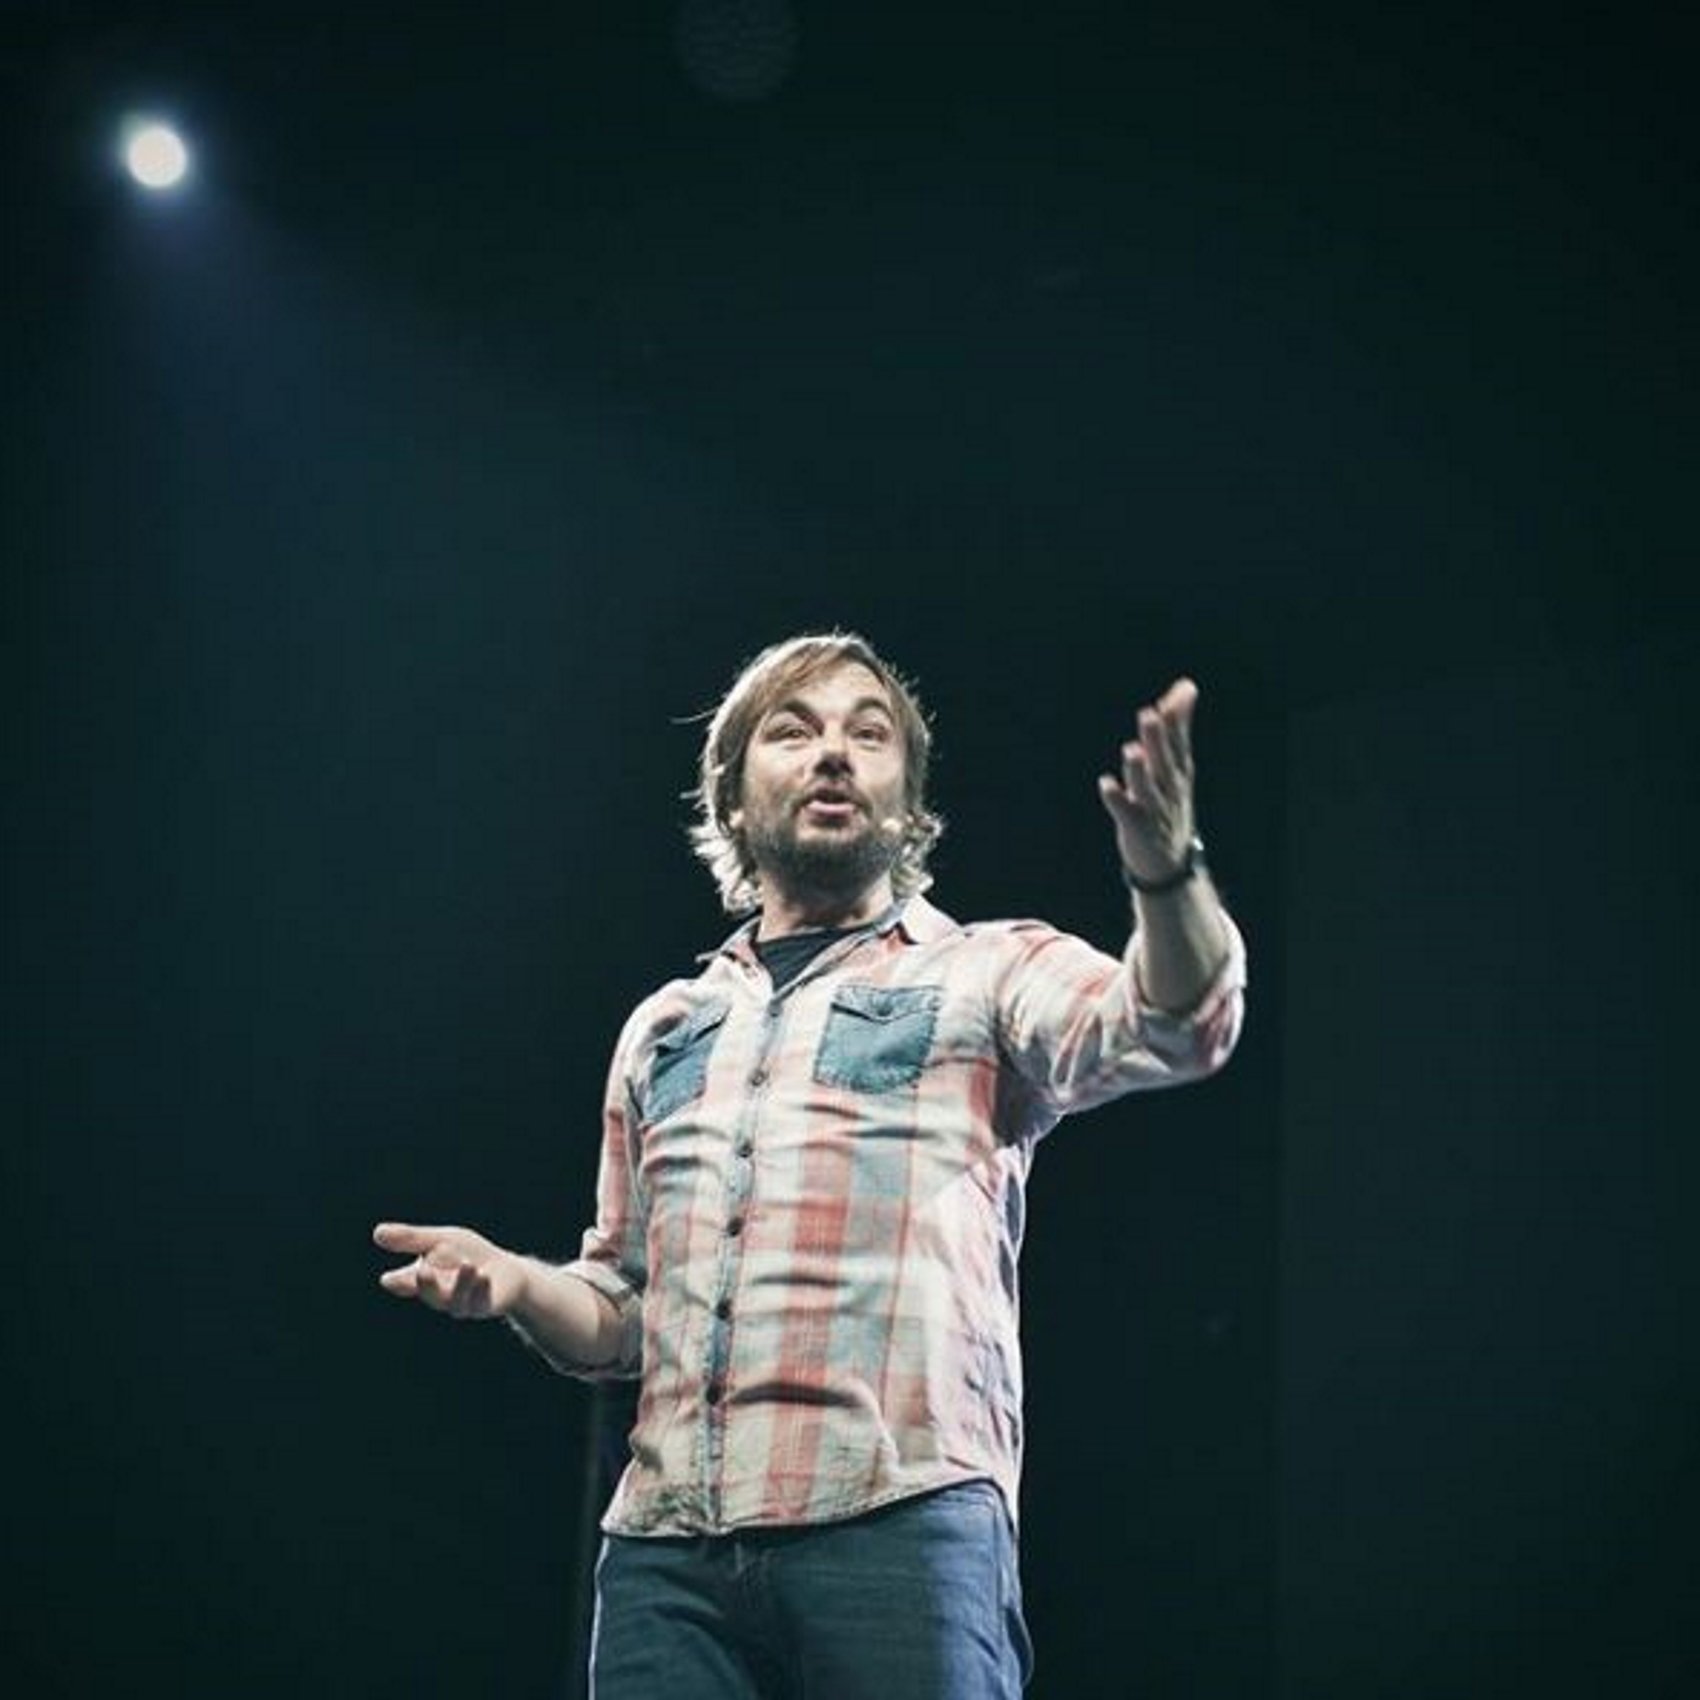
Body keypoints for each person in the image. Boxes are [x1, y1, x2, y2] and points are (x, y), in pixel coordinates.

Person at [374, 632, 1246, 1698]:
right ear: (734, 800)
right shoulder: (666, 1025)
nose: (834, 752)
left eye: (867, 734)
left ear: (905, 802)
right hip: (665, 1552)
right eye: (795, 730)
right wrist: (515, 1280)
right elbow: (624, 1315)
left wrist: (1163, 869)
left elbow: (1175, 1022)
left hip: (895, 1526)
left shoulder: (981, 968)